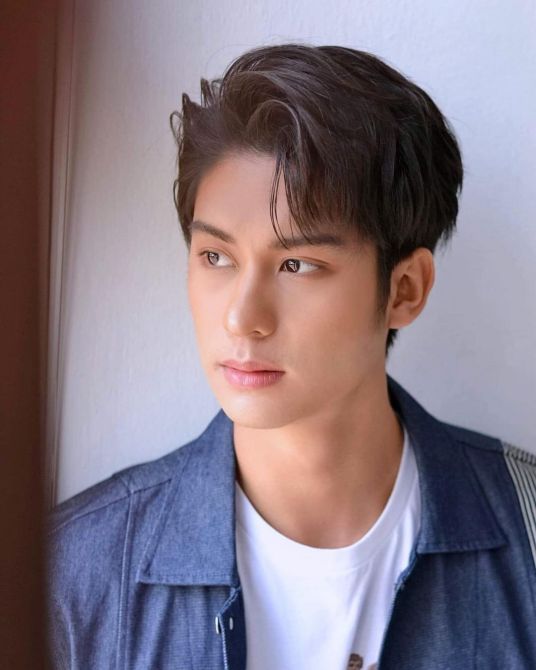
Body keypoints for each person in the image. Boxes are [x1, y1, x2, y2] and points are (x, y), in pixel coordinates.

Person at [46, 43, 536, 669]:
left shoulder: (527, 537)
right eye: (216, 257)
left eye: (297, 265)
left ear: (404, 290)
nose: (241, 317)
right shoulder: (71, 577)